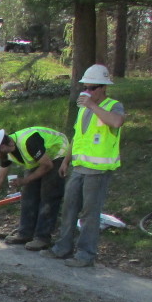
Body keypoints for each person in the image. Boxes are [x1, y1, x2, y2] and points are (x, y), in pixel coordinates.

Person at [40, 64, 125, 267]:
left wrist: (93, 106)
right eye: (85, 88)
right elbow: (78, 136)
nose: (88, 92)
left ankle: (86, 255)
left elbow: (117, 122)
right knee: (69, 208)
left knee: (89, 213)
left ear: (103, 87)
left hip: (98, 170)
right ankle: (62, 248)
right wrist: (67, 161)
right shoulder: (83, 109)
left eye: (92, 88)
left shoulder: (113, 105)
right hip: (79, 167)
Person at [0, 127, 70, 250]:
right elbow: (0, 177)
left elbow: (47, 165)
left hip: (57, 154)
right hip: (40, 160)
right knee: (28, 194)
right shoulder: (7, 152)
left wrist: (24, 180)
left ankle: (42, 238)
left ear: (3, 146)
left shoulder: (29, 141)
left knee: (48, 195)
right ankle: (25, 233)